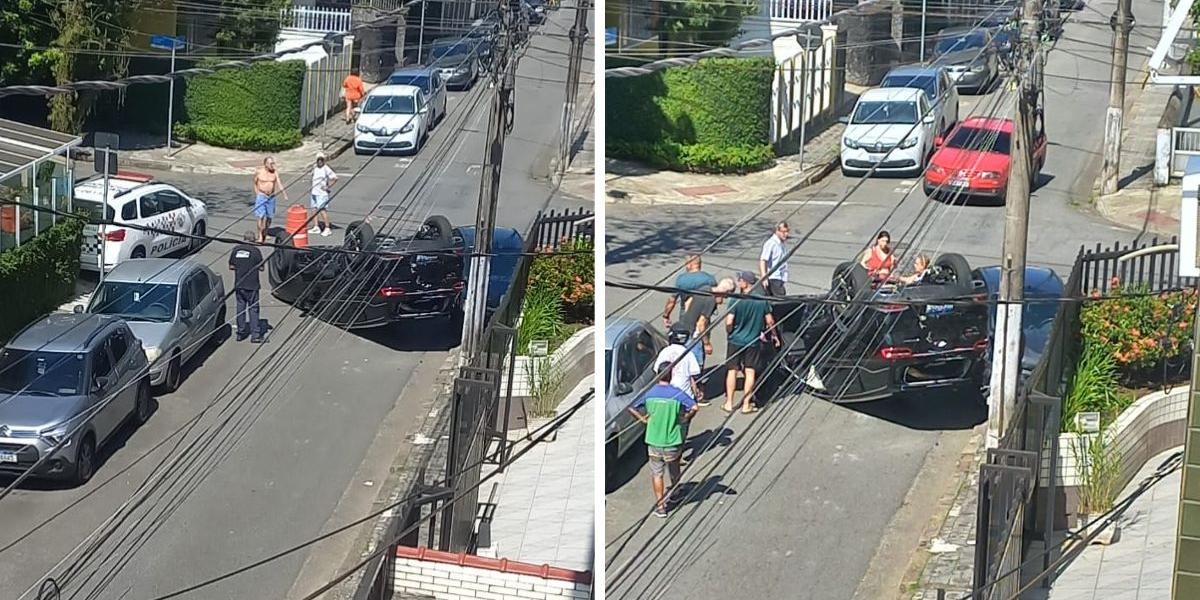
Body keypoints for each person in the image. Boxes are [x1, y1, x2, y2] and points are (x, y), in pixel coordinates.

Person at [627, 362, 698, 518]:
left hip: (653, 440)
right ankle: (676, 490)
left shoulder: (649, 393)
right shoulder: (677, 393)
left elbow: (631, 407)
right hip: (673, 440)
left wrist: (643, 419)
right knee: (674, 466)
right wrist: (685, 418)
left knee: (657, 474)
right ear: (671, 375)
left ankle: (660, 507)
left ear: (658, 375)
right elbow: (694, 407)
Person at [724, 271, 779, 414]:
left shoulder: (736, 299)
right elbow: (770, 321)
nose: (738, 282)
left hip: (735, 340)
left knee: (732, 370)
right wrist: (774, 335)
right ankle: (746, 404)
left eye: (740, 280)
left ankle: (729, 403)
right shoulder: (761, 300)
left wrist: (730, 332)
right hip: (753, 341)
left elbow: (729, 322)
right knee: (750, 371)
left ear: (746, 283)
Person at [679, 277, 735, 375]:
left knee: (683, 363)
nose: (726, 298)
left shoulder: (704, 289)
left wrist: (691, 314)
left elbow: (688, 302)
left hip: (685, 328)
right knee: (696, 367)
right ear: (726, 292)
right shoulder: (711, 300)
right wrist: (706, 343)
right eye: (726, 296)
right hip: (695, 336)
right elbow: (701, 324)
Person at [663, 253, 716, 329]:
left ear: (689, 264)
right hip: (703, 318)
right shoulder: (710, 279)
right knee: (702, 337)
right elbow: (717, 299)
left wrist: (666, 315)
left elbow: (672, 300)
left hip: (685, 317)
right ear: (699, 264)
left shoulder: (681, 279)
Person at [229, 231, 265, 343]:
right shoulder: (255, 251)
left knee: (240, 309)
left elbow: (231, 266)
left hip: (239, 285)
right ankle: (255, 335)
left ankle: (240, 333)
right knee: (253, 310)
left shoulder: (236, 250)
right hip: (252, 285)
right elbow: (262, 268)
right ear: (253, 240)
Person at [253, 156, 287, 243]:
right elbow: (255, 182)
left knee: (269, 216)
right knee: (260, 216)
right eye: (270, 163)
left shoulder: (274, 172)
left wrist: (284, 194)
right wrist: (257, 193)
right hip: (261, 196)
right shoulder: (259, 172)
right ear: (265, 164)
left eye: (273, 163)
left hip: (271, 196)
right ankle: (260, 236)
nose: (272, 165)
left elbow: (279, 183)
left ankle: (265, 231)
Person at [309, 152, 338, 237]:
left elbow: (335, 178)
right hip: (314, 191)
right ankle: (316, 226)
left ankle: (327, 228)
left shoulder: (326, 168)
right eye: (318, 160)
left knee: (322, 210)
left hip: (322, 193)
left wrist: (328, 187)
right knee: (314, 209)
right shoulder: (315, 168)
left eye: (321, 159)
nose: (320, 161)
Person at [759, 221, 790, 296]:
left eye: (787, 231)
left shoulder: (781, 243)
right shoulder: (771, 243)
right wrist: (764, 277)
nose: (786, 234)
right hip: (773, 279)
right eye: (783, 232)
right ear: (777, 231)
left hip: (779, 278)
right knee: (781, 302)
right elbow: (763, 260)